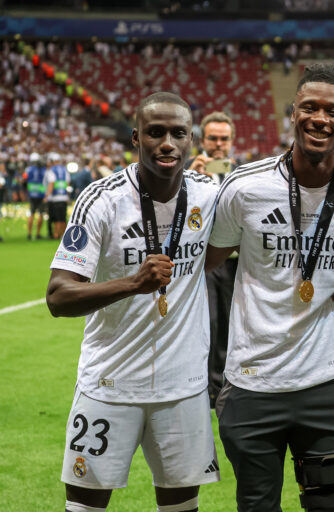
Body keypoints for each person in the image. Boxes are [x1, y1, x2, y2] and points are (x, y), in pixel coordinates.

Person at [206, 63, 334, 511]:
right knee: (257, 506)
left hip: (324, 381)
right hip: (252, 383)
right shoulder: (246, 187)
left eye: (333, 111)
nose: (320, 118)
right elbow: (205, 263)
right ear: (293, 113)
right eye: (310, 107)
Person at [45, 92, 220, 512]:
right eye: (155, 133)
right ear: (136, 138)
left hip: (183, 388)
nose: (167, 144)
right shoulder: (101, 200)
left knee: (181, 507)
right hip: (110, 384)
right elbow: (58, 295)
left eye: (178, 134)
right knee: (85, 506)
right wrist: (133, 283)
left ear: (191, 140)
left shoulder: (210, 195)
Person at [187, 111, 238, 407]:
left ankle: (221, 387)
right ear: (202, 140)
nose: (218, 144)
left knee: (230, 323)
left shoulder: (242, 174)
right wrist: (189, 178)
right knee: (207, 322)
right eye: (213, 138)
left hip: (234, 262)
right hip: (202, 262)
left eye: (224, 139)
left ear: (232, 141)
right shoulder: (186, 172)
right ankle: (201, 385)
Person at [44, 152, 71, 240]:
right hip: (64, 197)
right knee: (63, 218)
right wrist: (67, 196)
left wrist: (46, 196)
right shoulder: (64, 170)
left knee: (57, 218)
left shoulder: (51, 170)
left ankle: (56, 235)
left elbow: (51, 184)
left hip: (55, 198)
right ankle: (64, 235)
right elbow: (67, 184)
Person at [25, 152, 46, 240]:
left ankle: (29, 234)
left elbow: (24, 178)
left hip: (31, 194)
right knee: (41, 214)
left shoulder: (28, 169)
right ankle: (38, 234)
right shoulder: (43, 169)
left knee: (31, 213)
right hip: (41, 194)